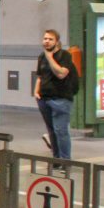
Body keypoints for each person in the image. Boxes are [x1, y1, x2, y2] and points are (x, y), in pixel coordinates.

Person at [34, 29, 79, 161]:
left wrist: (50, 57)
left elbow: (61, 73)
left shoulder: (65, 56)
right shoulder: (41, 57)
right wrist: (36, 92)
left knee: (61, 131)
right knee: (52, 131)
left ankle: (65, 161)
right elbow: (40, 76)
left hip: (61, 100)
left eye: (50, 39)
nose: (47, 41)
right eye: (45, 39)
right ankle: (56, 160)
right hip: (44, 99)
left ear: (57, 42)